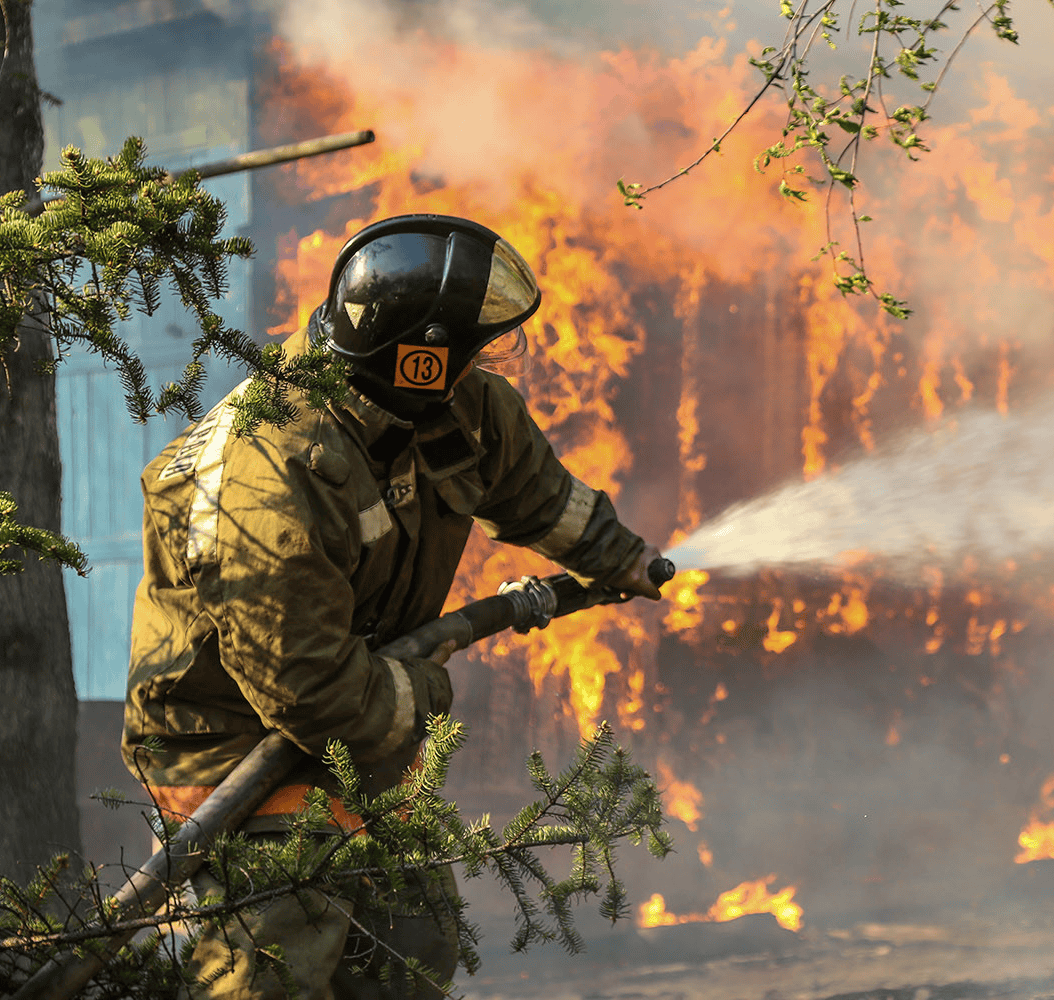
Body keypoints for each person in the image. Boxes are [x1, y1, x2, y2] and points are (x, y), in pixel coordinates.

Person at [121, 214, 663, 999]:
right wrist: (428, 689)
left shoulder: (449, 405)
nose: (485, 361)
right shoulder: (270, 473)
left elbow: (536, 494)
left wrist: (622, 558)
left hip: (359, 706)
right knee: (278, 947)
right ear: (418, 355)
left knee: (412, 944)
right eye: (471, 346)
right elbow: (309, 689)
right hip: (230, 739)